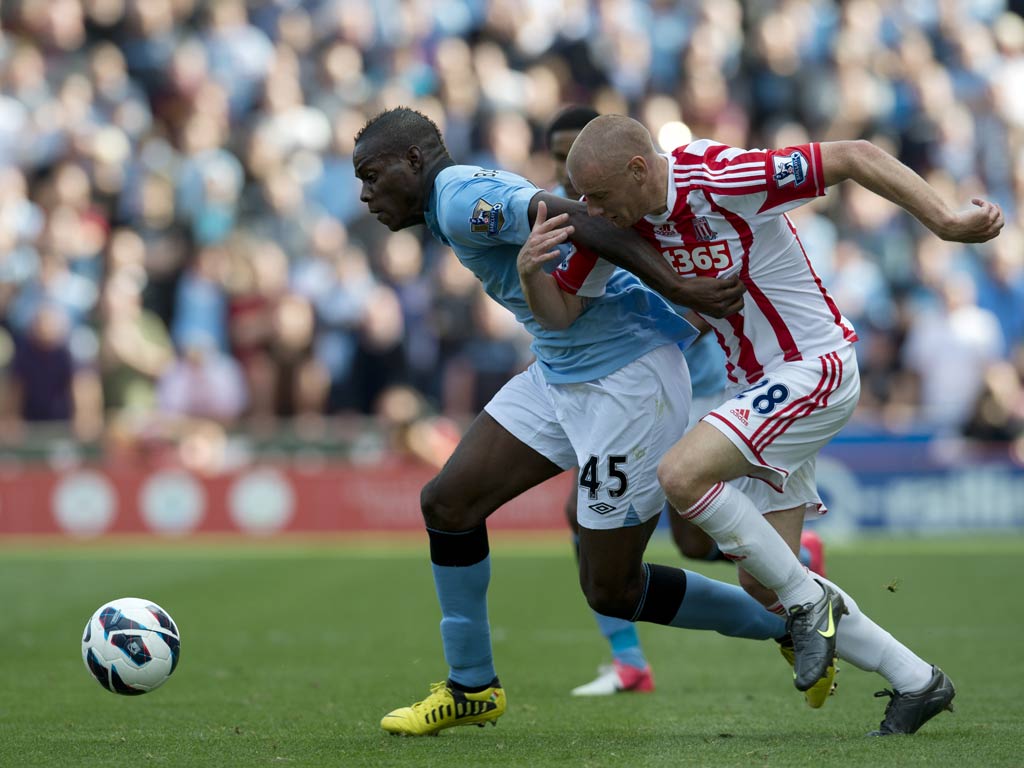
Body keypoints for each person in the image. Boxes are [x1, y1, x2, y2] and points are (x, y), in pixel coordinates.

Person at [520, 114, 1003, 735]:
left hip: (815, 365)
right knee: (762, 581)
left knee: (681, 475)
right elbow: (559, 316)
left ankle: (811, 604)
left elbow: (854, 153)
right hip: (757, 388)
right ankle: (918, 681)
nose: (590, 210)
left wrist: (944, 221)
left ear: (640, 170)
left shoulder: (723, 178)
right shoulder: (619, 222)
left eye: (599, 195)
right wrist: (534, 271)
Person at [352, 106, 789, 737]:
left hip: (624, 384)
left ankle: (792, 621)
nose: (366, 194)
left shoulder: (458, 201)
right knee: (448, 504)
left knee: (611, 589)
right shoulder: (451, 207)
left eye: (372, 175)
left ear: (413, 162)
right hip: (560, 372)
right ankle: (471, 686)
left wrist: (682, 288)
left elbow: (579, 218)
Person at [545, 106, 826, 698]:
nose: (578, 190)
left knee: (692, 536)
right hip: (623, 388)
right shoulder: (583, 214)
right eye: (561, 162)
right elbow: (567, 306)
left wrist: (674, 317)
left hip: (693, 381)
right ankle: (629, 661)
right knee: (587, 516)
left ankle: (793, 571)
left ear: (632, 166)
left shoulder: (662, 202)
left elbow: (711, 293)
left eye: (585, 168)